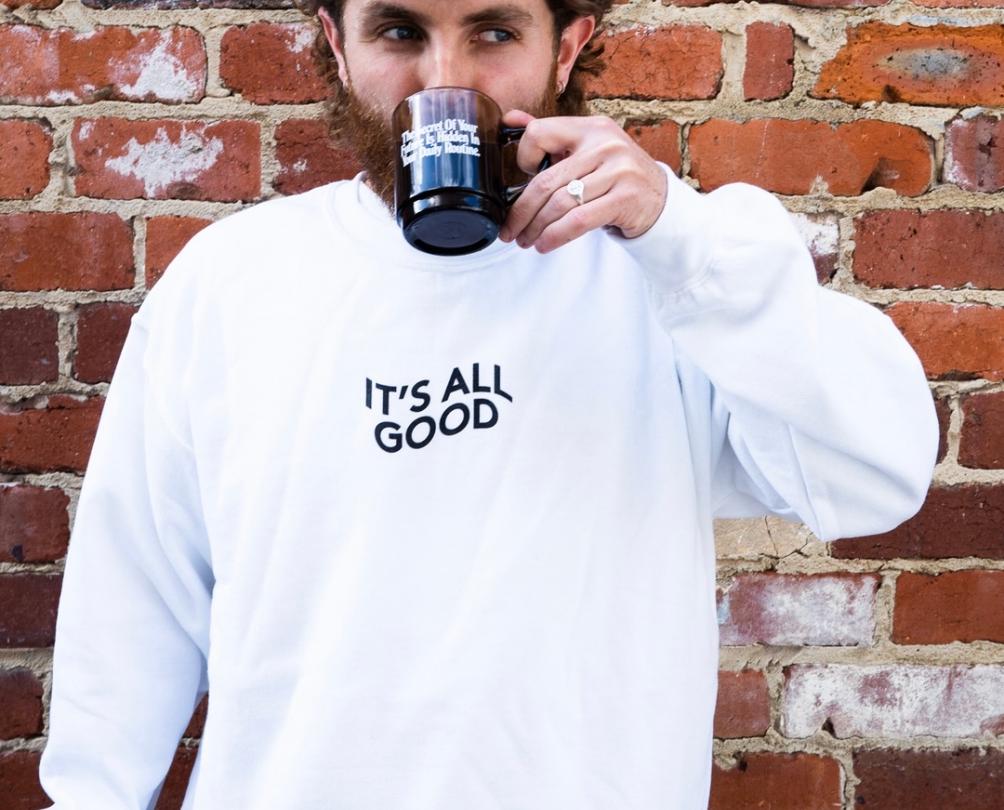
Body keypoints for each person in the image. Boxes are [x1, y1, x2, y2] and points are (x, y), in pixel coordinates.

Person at [37, 1, 939, 808]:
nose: (446, 81)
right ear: (336, 47)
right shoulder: (234, 283)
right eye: (399, 32)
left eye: (494, 33)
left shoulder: (671, 280)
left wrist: (679, 234)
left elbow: (877, 476)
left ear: (565, 49)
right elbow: (134, 597)